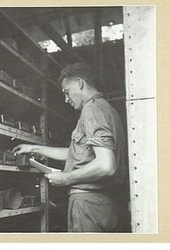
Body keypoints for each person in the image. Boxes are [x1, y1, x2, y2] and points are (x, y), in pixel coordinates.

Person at [12, 63, 126, 232]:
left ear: (80, 83)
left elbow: (106, 165)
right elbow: (77, 154)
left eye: (66, 92)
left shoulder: (92, 110)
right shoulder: (107, 109)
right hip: (103, 204)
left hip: (89, 203)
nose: (66, 99)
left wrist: (66, 178)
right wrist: (33, 148)